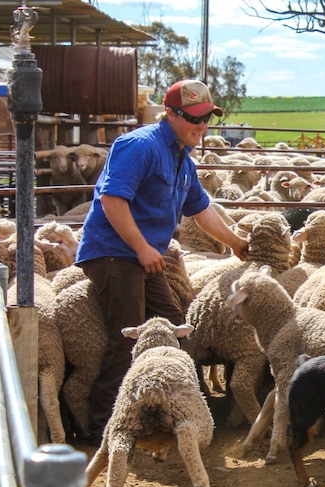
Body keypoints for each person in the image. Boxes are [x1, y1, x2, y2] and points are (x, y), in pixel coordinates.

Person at [75, 79, 249, 444]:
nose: (202, 126)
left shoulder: (183, 160)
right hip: (114, 252)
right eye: (194, 118)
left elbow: (201, 210)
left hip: (145, 256)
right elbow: (112, 200)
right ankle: (103, 427)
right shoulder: (140, 146)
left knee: (173, 329)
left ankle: (177, 412)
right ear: (170, 114)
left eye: (207, 119)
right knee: (129, 337)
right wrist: (141, 248)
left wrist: (237, 244)